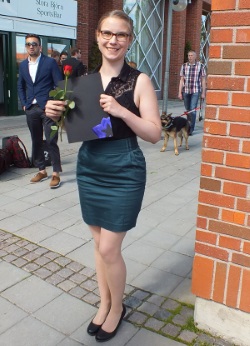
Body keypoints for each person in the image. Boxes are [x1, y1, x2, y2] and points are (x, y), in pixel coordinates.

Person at [45, 10, 161, 342]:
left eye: (121, 35)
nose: (114, 40)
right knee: (98, 244)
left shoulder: (139, 81)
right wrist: (56, 111)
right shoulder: (81, 83)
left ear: (129, 40)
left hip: (124, 168)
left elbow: (154, 133)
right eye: (108, 33)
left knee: (109, 249)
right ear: (97, 35)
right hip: (91, 166)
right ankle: (105, 303)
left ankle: (118, 307)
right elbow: (78, 127)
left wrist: (122, 109)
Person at [17, 33, 63, 188]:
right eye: (28, 44)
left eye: (34, 44)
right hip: (31, 108)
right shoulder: (23, 65)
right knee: (36, 141)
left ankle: (56, 173)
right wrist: (24, 103)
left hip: (47, 108)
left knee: (51, 140)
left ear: (40, 46)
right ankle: (42, 170)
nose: (31, 46)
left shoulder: (49, 63)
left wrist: (56, 103)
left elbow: (58, 84)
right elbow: (20, 86)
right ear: (26, 47)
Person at [178, 50, 206, 135]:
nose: (190, 57)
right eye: (189, 55)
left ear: (195, 56)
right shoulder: (184, 66)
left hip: (195, 91)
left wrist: (203, 93)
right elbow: (181, 80)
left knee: (192, 110)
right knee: (188, 110)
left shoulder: (200, 66)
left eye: (191, 55)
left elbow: (203, 80)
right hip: (186, 91)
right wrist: (179, 92)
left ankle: (190, 129)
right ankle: (188, 125)